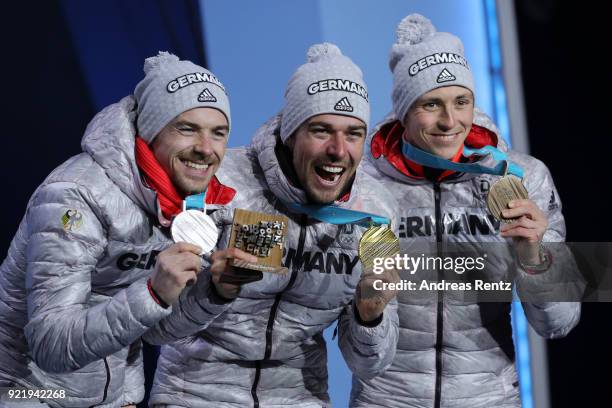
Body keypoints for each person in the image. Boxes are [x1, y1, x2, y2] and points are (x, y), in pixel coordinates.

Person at [145, 43, 400, 408]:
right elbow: (157, 329)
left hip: (300, 398)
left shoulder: (375, 215)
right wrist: (214, 293)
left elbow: (371, 365)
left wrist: (369, 316)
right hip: (197, 395)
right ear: (290, 133)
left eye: (354, 133)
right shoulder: (219, 187)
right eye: (321, 130)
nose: (338, 150)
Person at [353, 14, 581, 408]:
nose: (449, 121)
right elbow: (356, 350)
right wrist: (367, 311)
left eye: (461, 102)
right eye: (431, 104)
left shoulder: (523, 177)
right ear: (404, 111)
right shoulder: (361, 184)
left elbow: (558, 323)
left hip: (488, 399)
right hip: (386, 400)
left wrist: (536, 258)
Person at [0, 52, 241, 407]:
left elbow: (156, 330)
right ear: (151, 132)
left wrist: (215, 293)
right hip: (27, 391)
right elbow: (51, 345)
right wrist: (153, 293)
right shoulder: (75, 195)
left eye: (218, 133)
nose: (205, 149)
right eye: (187, 128)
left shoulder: (194, 202)